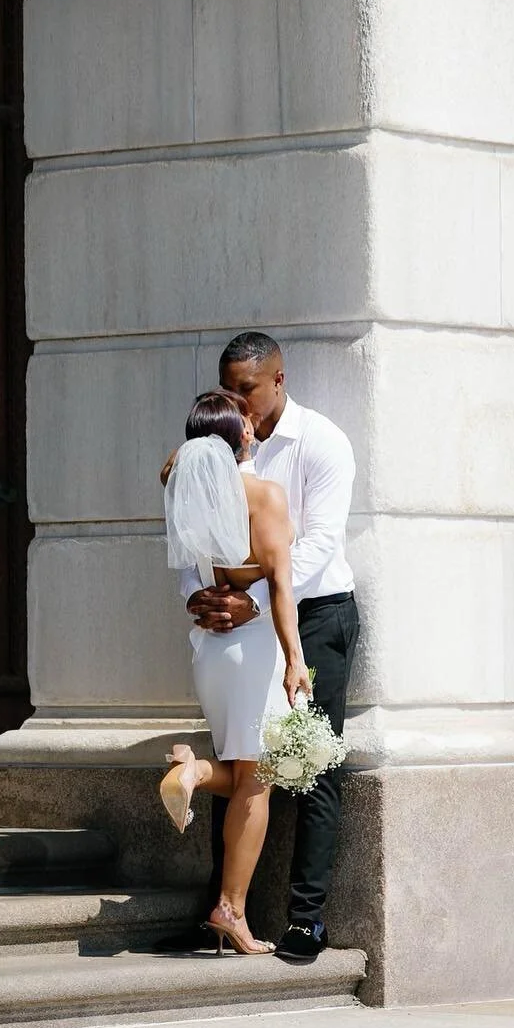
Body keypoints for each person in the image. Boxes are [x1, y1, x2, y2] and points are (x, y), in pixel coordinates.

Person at [183, 333, 359, 963]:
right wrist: (202, 598)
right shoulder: (213, 448)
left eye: (249, 389)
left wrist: (254, 599)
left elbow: (317, 544)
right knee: (243, 755)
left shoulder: (322, 443)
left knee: (310, 767)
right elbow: (195, 536)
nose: (240, 403)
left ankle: (306, 919)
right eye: (230, 389)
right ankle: (224, 909)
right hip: (248, 620)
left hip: (317, 615)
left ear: (280, 379)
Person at [159, 390, 308, 955]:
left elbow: (173, 468)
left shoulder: (183, 491)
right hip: (252, 649)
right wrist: (295, 659)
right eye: (245, 419)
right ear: (244, 435)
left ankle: (194, 771)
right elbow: (282, 588)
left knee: (248, 774)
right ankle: (232, 909)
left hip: (209, 651)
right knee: (258, 781)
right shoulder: (263, 496)